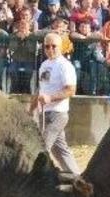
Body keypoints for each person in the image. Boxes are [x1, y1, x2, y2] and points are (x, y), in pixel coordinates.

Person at [31, 32, 80, 174]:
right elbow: (41, 90)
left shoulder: (65, 66)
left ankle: (39, 179)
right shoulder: (44, 65)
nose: (50, 49)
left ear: (61, 47)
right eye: (47, 46)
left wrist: (51, 98)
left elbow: (71, 90)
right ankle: (77, 177)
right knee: (60, 149)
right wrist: (30, 109)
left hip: (58, 113)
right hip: (44, 112)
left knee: (43, 146)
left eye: (54, 46)